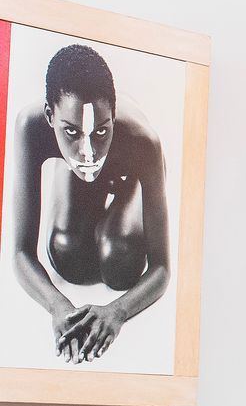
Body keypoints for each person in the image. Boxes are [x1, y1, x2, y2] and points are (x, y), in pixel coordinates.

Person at [7, 43, 171, 363]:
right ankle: (69, 168)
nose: (89, 153)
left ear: (114, 115)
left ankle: (126, 188)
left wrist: (117, 312)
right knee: (68, 257)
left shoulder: (143, 141)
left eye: (100, 131)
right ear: (49, 116)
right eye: (71, 131)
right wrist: (59, 307)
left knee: (120, 259)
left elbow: (162, 268)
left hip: (127, 169)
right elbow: (20, 253)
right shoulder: (31, 126)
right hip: (72, 173)